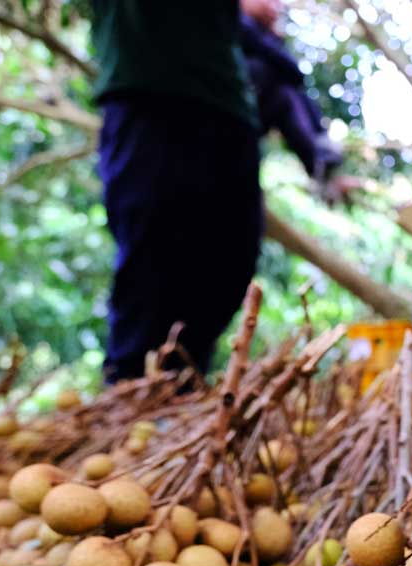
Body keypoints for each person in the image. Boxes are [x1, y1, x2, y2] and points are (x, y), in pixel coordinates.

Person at [92, 1, 262, 381]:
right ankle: (131, 387)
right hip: (147, 91)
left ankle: (182, 385)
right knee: (150, 258)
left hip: (227, 107)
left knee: (230, 264)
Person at [239, 0, 360, 203]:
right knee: (282, 88)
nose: (273, 7)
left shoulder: (265, 35)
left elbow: (294, 74)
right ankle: (320, 160)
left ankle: (323, 160)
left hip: (252, 112)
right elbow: (292, 70)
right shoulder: (236, 21)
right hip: (227, 101)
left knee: (287, 94)